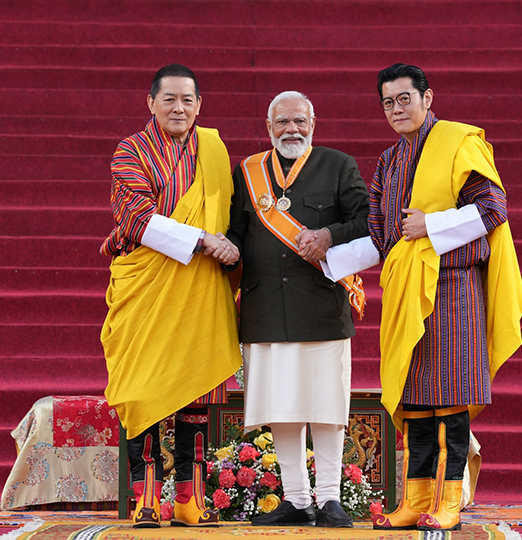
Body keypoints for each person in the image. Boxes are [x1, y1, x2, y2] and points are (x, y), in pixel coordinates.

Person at [366, 63, 522, 532]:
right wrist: (326, 256)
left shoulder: (458, 142)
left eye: (405, 99)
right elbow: (379, 234)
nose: (397, 109)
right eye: (388, 102)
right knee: (416, 398)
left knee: (451, 398)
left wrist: (430, 225)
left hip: (454, 288)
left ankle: (449, 500)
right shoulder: (388, 161)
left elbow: (493, 209)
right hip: (405, 290)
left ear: (427, 98)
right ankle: (414, 500)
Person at [223, 91, 378, 529]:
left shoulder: (338, 165)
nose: (291, 129)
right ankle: (295, 499)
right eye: (282, 122)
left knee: (326, 408)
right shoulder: (249, 171)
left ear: (313, 123)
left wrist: (329, 236)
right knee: (282, 407)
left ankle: (329, 499)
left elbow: (367, 222)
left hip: (321, 305)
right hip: (266, 308)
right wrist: (223, 247)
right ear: (269, 127)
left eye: (299, 121)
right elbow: (237, 230)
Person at [100, 63, 242, 528]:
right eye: (169, 99)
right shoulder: (131, 151)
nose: (179, 108)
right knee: (140, 388)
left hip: (199, 288)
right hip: (146, 288)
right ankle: (145, 499)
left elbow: (231, 214)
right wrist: (203, 239)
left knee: (196, 392)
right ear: (151, 103)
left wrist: (228, 245)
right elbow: (138, 219)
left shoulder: (213, 150)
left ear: (199, 105)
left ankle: (189, 499)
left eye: (187, 100)